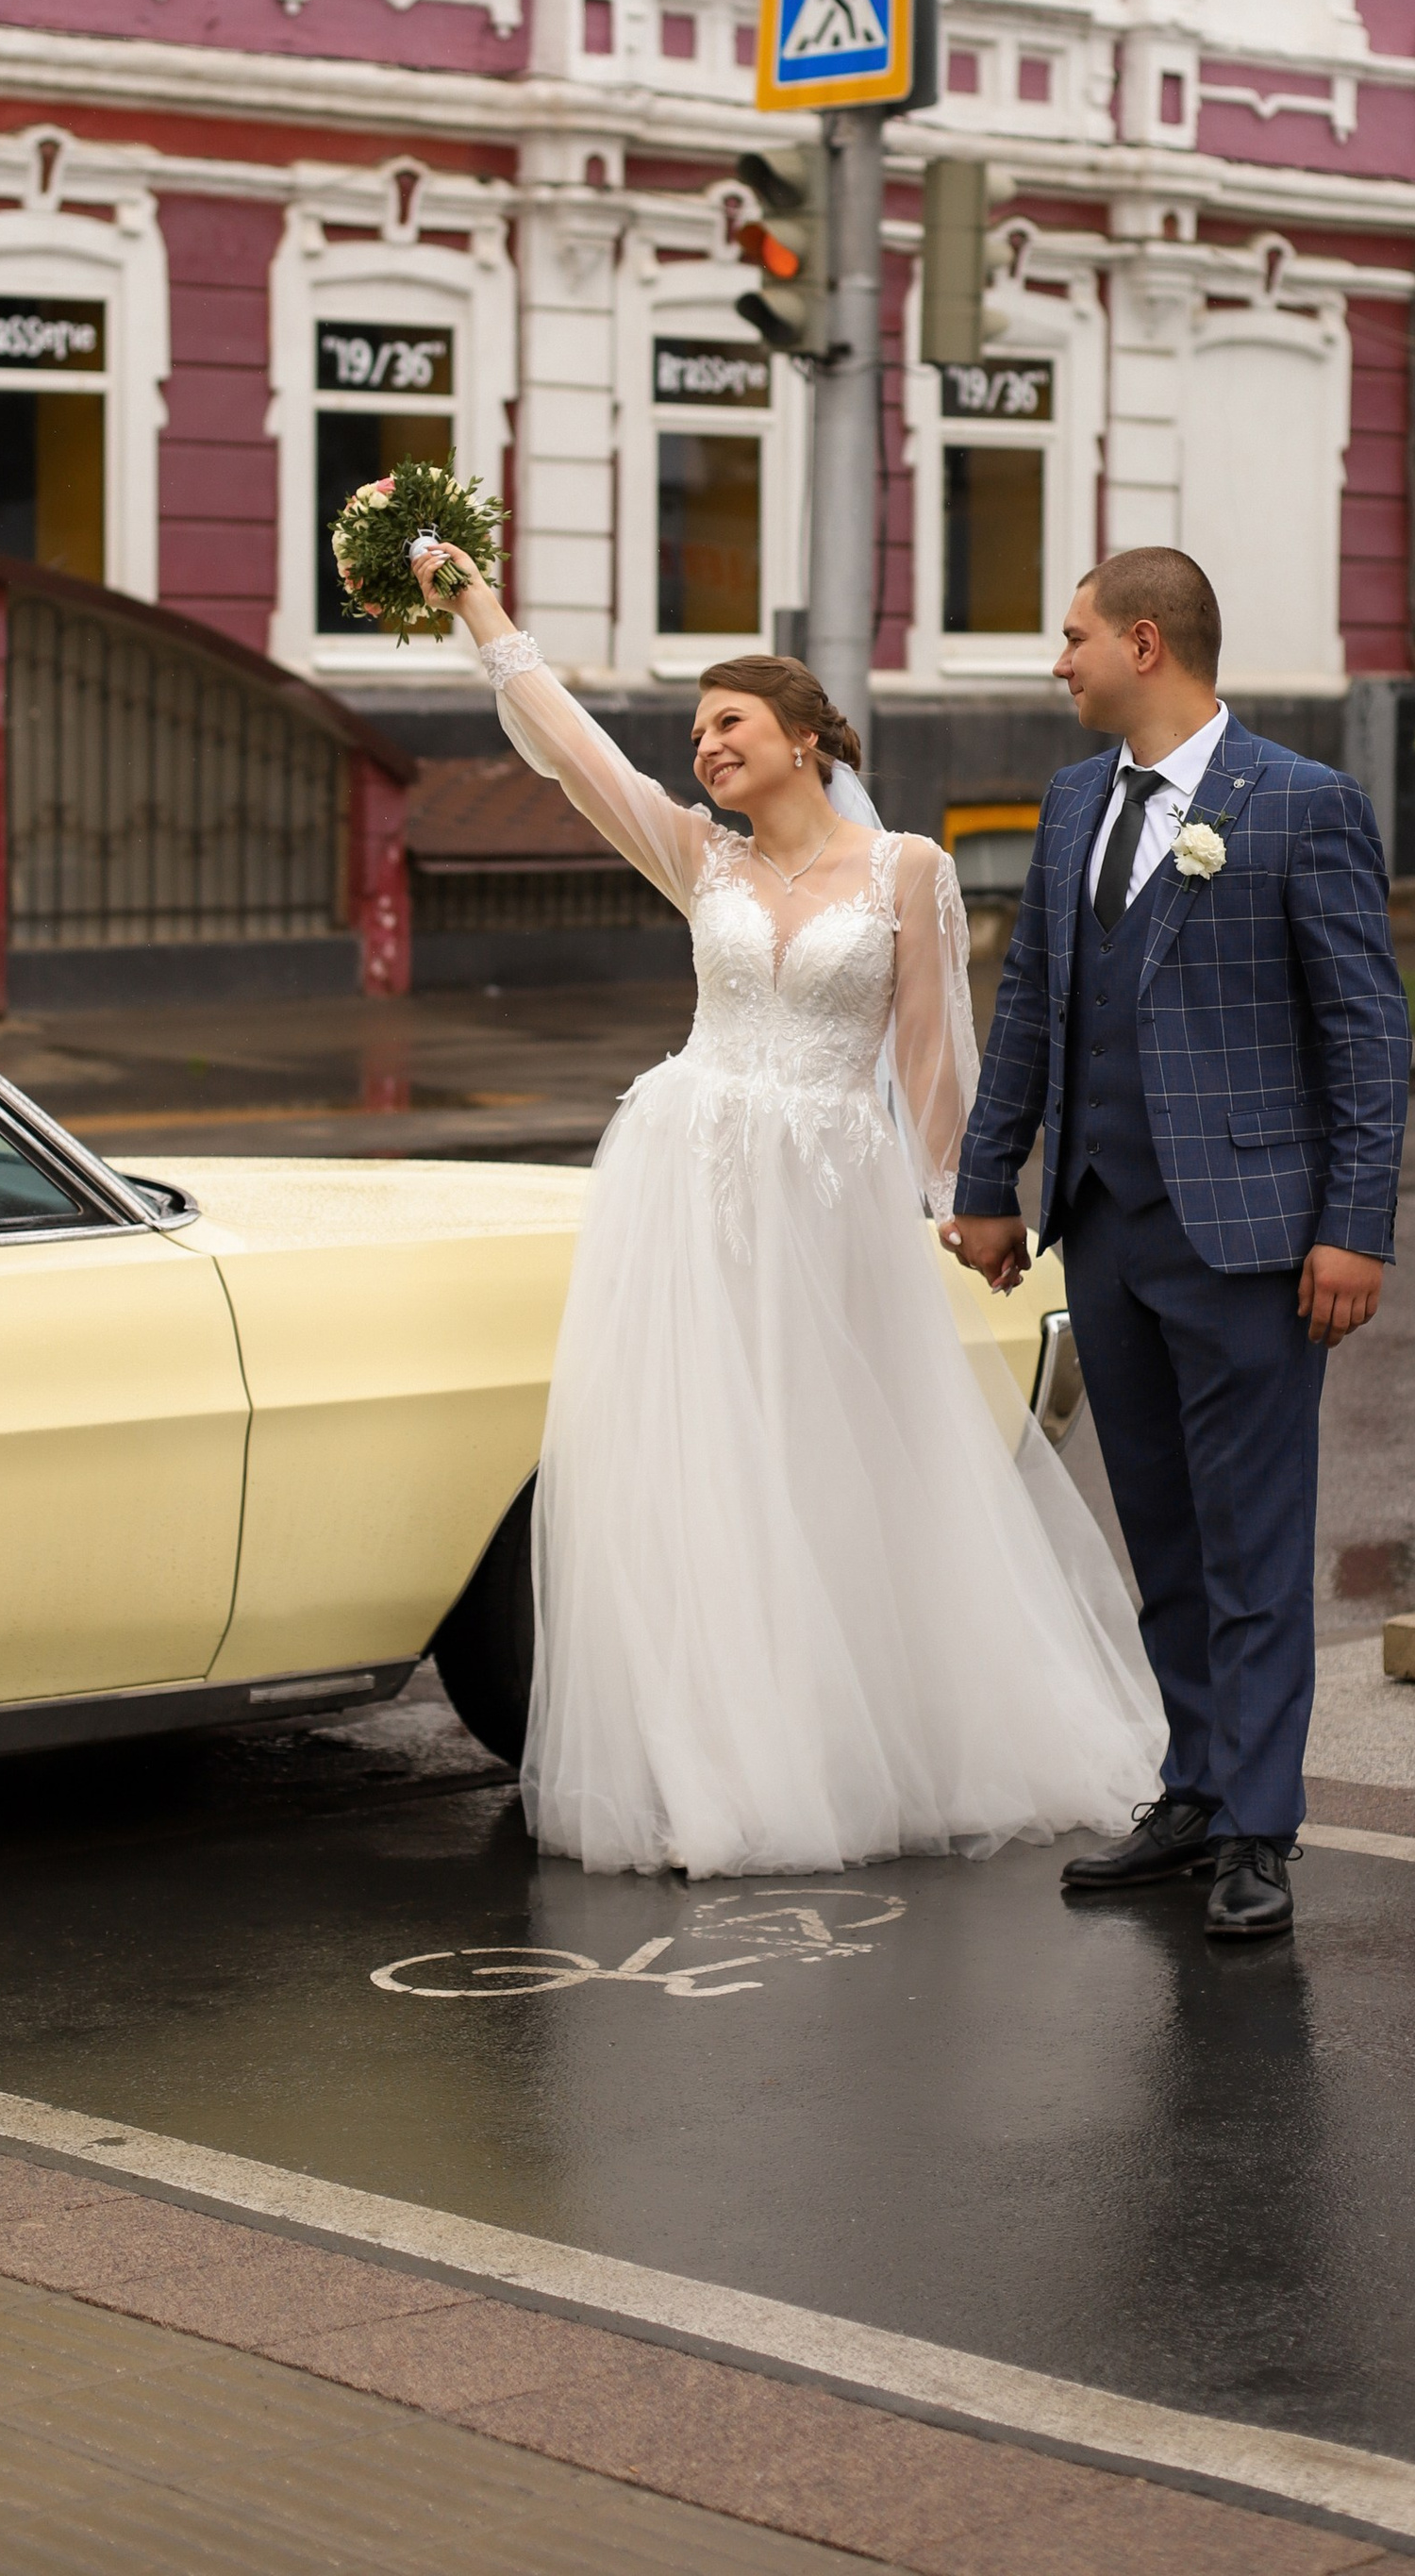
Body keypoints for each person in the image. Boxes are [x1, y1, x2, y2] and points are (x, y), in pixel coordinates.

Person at [411, 544, 1164, 1881]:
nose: (704, 747)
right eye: (696, 730)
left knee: (831, 1468)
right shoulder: (698, 858)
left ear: (807, 739)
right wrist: (481, 610)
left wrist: (966, 1200)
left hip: (827, 1197)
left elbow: (936, 1054)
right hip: (690, 1182)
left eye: (730, 722)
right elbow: (579, 757)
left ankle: (855, 1740)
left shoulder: (907, 872)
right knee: (702, 1471)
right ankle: (716, 1755)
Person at [944, 549, 1408, 1945]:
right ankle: (1197, 1785)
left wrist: (1353, 1228)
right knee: (1164, 1529)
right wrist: (990, 1178)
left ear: (1147, 643)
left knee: (1255, 1539)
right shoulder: (1081, 796)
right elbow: (1031, 998)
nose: (1058, 660)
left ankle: (1260, 1824)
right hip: (1109, 1227)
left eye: (1074, 634)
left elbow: (1365, 1039)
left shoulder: (1303, 807)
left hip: (1258, 1240)